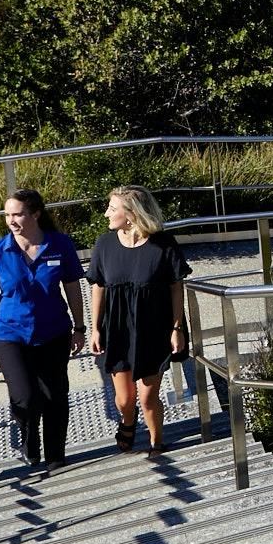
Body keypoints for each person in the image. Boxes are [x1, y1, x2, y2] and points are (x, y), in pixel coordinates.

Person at [0, 189, 86, 469]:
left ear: (35, 214)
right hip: (9, 334)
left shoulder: (60, 244)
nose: (11, 220)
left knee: (54, 394)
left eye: (18, 214)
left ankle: (56, 455)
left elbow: (73, 287)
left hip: (54, 332)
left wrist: (80, 327)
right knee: (25, 396)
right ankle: (27, 435)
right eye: (7, 215)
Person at [87, 184, 190, 452]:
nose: (106, 214)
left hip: (153, 329)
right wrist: (95, 328)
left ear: (131, 212)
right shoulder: (104, 244)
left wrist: (176, 328)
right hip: (117, 329)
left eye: (112, 208)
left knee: (147, 396)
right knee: (124, 399)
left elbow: (176, 287)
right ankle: (128, 421)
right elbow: (98, 286)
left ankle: (157, 443)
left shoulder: (163, 244)